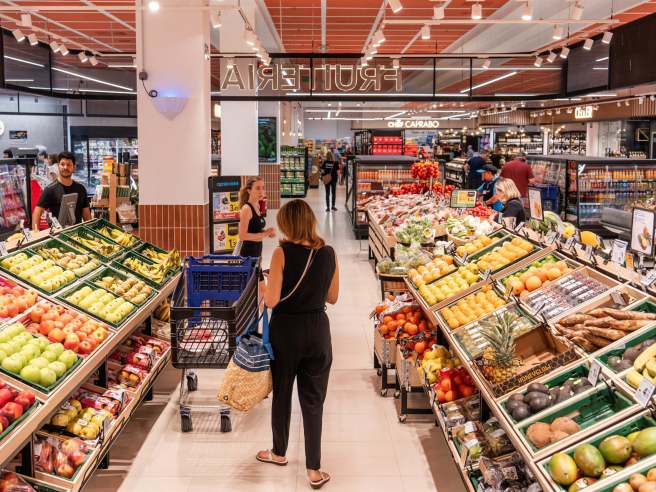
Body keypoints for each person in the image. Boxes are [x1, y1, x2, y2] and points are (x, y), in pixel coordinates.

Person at [258, 199, 339, 490]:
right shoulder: (329, 253)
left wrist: (263, 283)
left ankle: (279, 452)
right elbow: (332, 297)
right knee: (313, 400)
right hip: (318, 330)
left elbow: (270, 301)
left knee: (282, 392)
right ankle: (314, 469)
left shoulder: (281, 253)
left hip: (286, 331)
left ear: (286, 224)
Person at [32, 151, 91, 230]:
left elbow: (86, 215)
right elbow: (37, 213)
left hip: (77, 235)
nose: (65, 167)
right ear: (58, 166)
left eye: (69, 165)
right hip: (56, 235)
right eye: (62, 164)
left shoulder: (81, 189)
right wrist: (36, 233)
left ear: (74, 167)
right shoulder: (50, 189)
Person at [238, 176, 276, 271]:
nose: (261, 192)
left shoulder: (257, 206)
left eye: (263, 188)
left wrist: (267, 232)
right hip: (248, 255)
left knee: (258, 279)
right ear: (249, 191)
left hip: (257, 252)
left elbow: (254, 227)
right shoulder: (246, 209)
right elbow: (242, 236)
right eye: (257, 188)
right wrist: (264, 234)